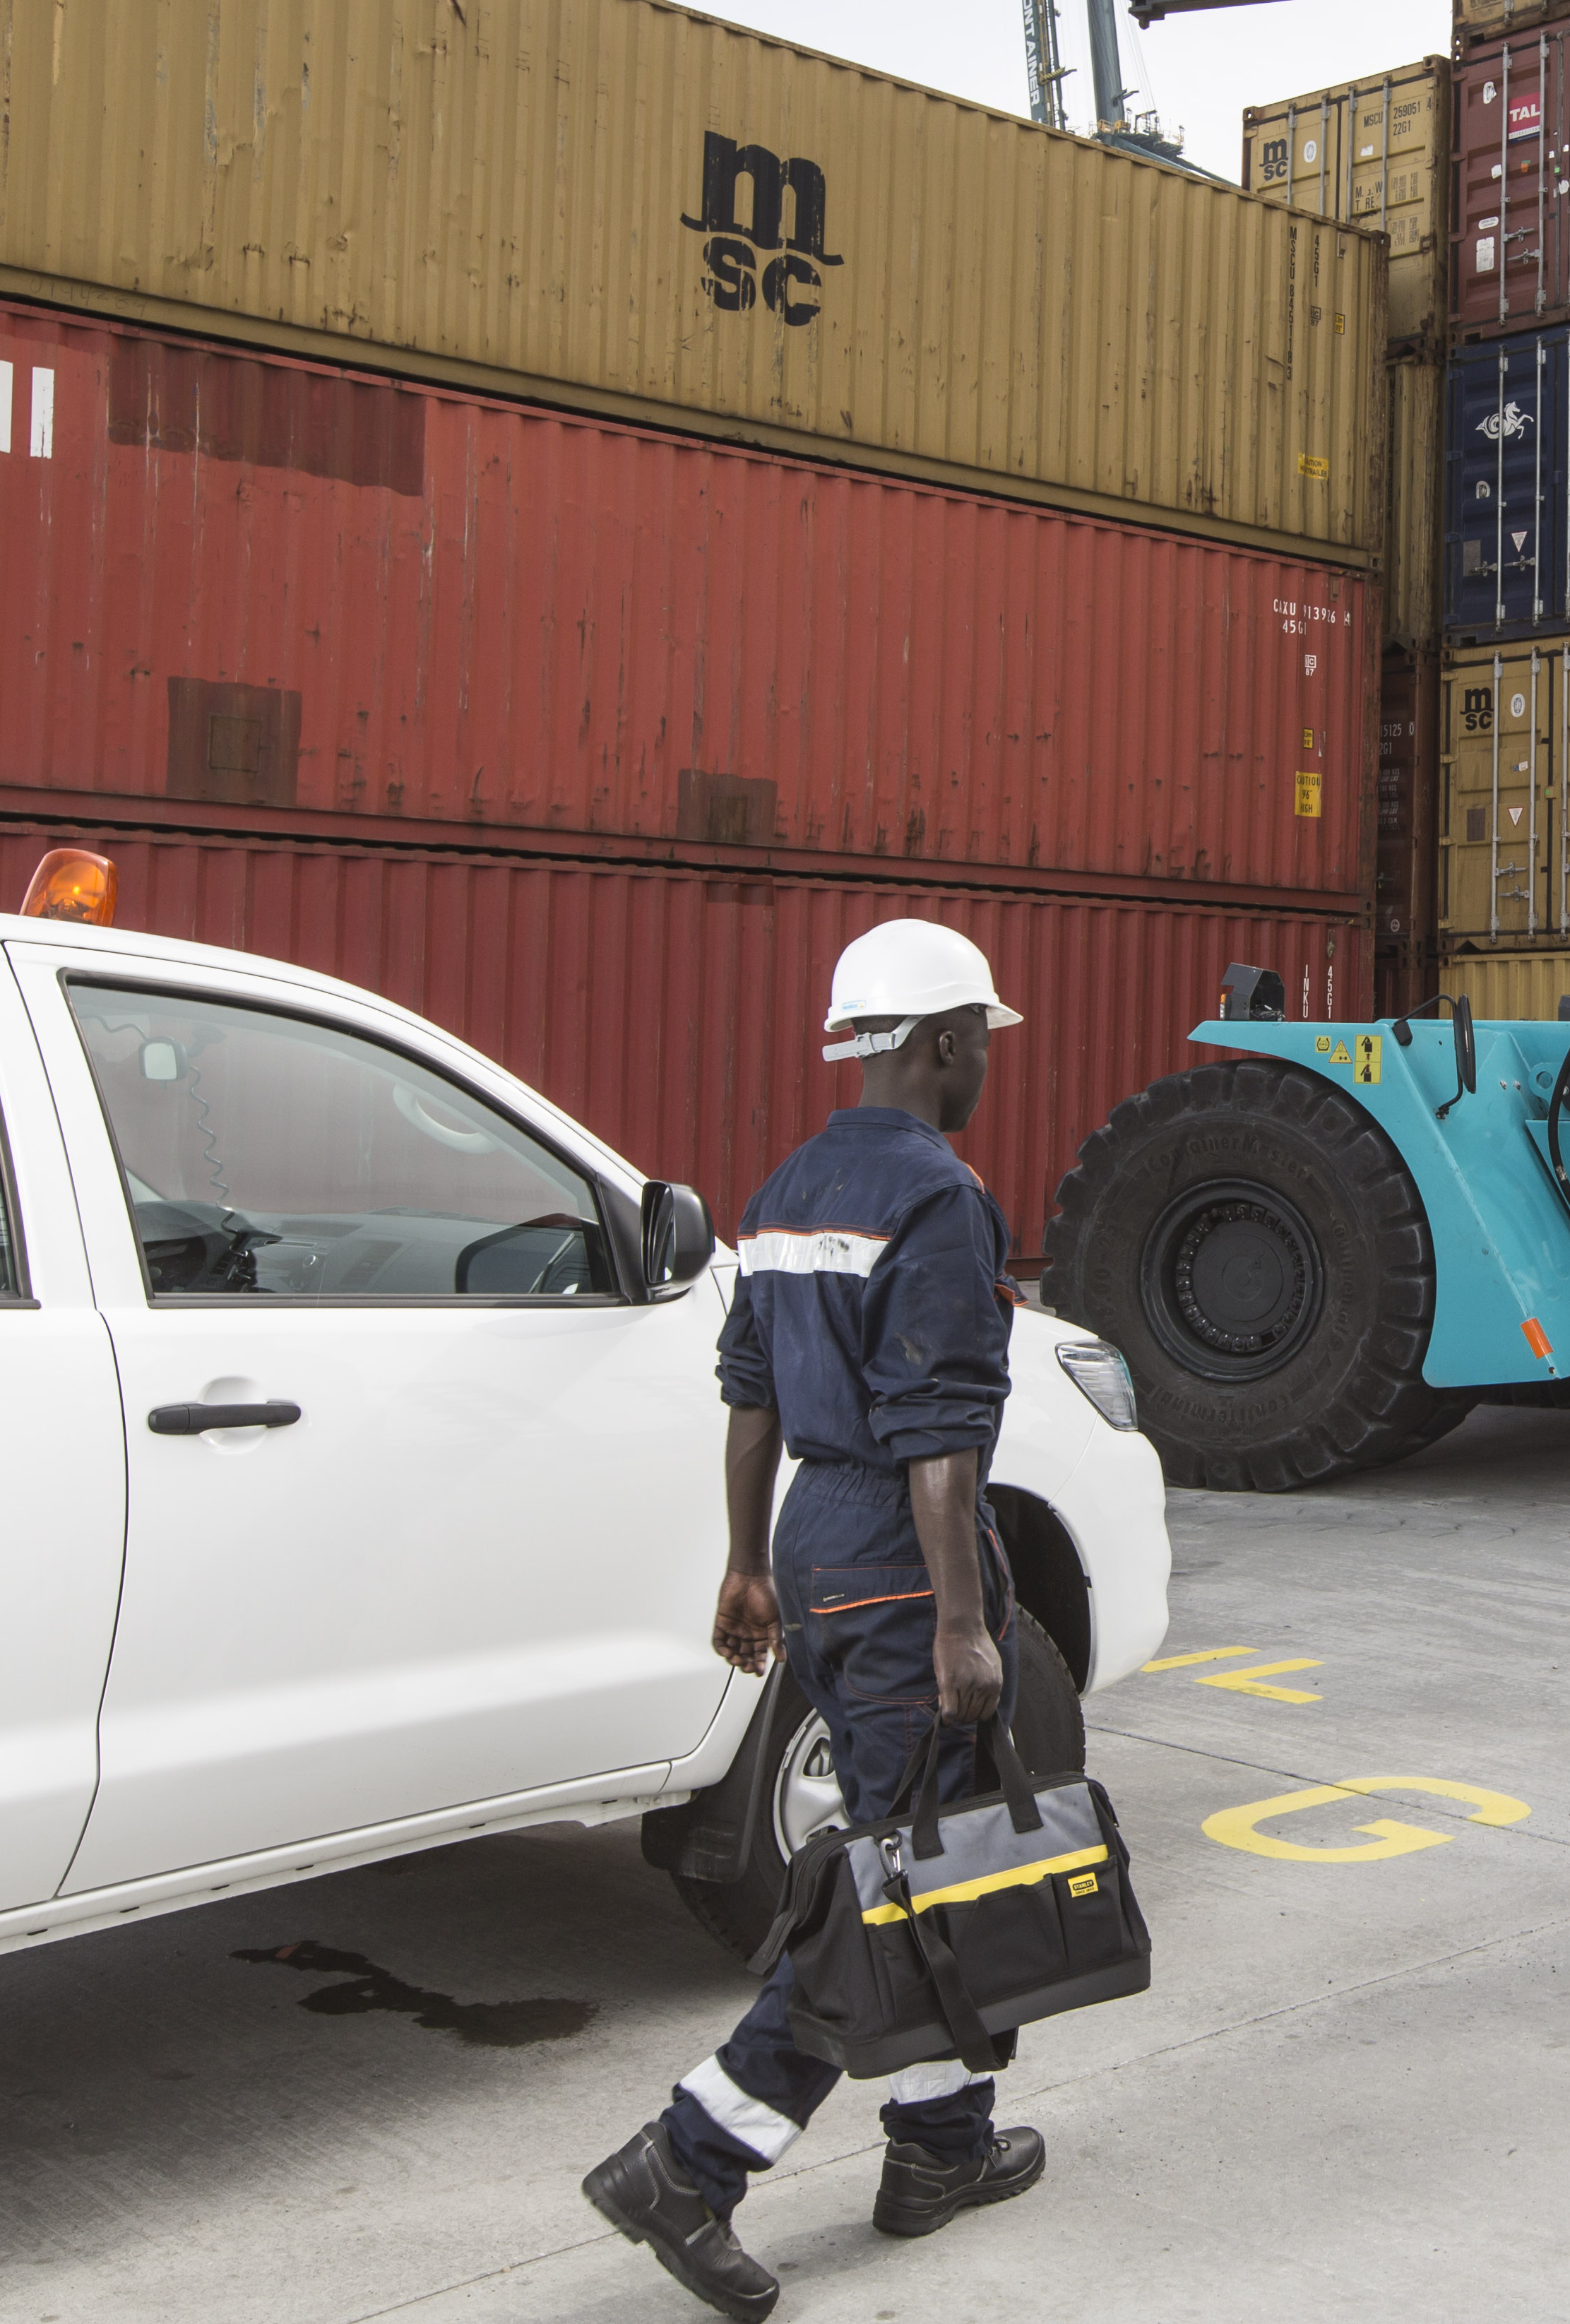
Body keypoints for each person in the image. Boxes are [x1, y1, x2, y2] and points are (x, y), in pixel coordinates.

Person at [583, 919, 1045, 2321]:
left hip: (814, 1538)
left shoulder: (789, 1187)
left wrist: (747, 1564)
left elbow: (748, 1396)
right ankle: (694, 2157)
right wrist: (964, 1622)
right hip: (907, 1556)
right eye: (980, 1042)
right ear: (944, 1040)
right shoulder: (941, 1200)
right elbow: (942, 1433)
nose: (984, 1067)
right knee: (898, 1880)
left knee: (926, 1847)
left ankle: (941, 2145)